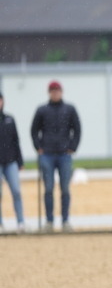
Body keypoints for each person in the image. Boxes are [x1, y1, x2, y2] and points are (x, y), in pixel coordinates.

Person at [31, 80, 81, 232]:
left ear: (61, 92)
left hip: (64, 154)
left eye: (57, 91)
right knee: (48, 189)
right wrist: (38, 147)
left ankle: (65, 220)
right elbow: (34, 130)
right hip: (47, 154)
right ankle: (49, 221)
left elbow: (77, 129)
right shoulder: (42, 110)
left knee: (65, 189)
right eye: (53, 91)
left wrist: (73, 147)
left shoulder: (69, 109)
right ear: (49, 93)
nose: (55, 93)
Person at [0, 91, 26, 233]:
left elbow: (16, 141)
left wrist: (20, 161)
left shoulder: (9, 119)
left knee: (16, 191)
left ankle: (20, 222)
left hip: (10, 161)